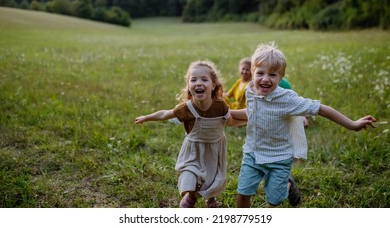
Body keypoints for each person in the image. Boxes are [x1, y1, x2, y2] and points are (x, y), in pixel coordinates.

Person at [231, 42, 377, 208]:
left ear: (280, 78)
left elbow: (321, 109)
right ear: (252, 73)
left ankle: (287, 185)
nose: (265, 79)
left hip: (279, 157)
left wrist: (353, 124)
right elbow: (251, 112)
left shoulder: (287, 99)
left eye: (272, 75)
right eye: (260, 73)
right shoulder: (250, 91)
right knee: (243, 193)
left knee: (274, 200)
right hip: (253, 153)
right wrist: (228, 114)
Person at [135, 60, 246, 208]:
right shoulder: (186, 108)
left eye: (204, 79)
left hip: (214, 149)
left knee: (212, 178)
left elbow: (231, 122)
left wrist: (248, 121)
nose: (198, 83)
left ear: (213, 85)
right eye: (193, 80)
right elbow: (164, 114)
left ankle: (210, 199)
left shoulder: (221, 107)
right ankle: (190, 196)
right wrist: (146, 118)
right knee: (190, 174)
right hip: (193, 150)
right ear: (188, 86)